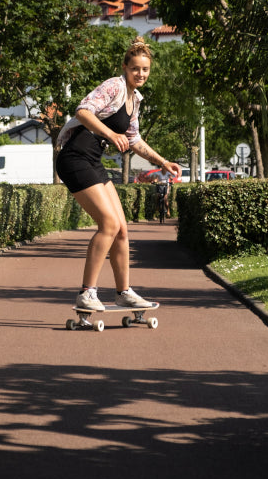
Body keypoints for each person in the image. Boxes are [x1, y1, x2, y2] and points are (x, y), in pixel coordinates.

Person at [55, 36, 181, 312]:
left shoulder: (135, 100)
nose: (141, 74)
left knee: (122, 229)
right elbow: (83, 111)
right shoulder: (114, 86)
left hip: (93, 161)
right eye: (135, 68)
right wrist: (110, 133)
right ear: (125, 67)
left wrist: (162, 162)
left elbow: (134, 140)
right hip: (75, 158)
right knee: (109, 224)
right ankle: (87, 293)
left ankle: (123, 292)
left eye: (145, 69)